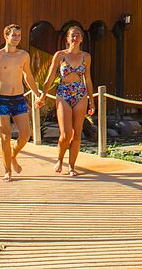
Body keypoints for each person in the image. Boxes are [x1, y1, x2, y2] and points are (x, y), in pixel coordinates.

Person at [0, 23, 40, 182]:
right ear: (6, 36)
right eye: (13, 35)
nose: (16, 38)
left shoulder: (23, 55)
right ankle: (7, 170)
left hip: (18, 98)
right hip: (1, 99)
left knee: (25, 135)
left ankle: (13, 155)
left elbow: (28, 76)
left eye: (19, 35)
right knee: (5, 135)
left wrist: (37, 94)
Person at [40, 24, 95, 176]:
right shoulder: (60, 55)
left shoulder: (86, 57)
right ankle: (59, 158)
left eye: (78, 35)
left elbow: (88, 79)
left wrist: (92, 100)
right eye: (73, 35)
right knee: (66, 134)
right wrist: (42, 96)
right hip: (64, 93)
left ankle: (72, 166)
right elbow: (50, 76)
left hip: (80, 93)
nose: (75, 38)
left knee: (77, 133)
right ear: (68, 38)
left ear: (82, 39)